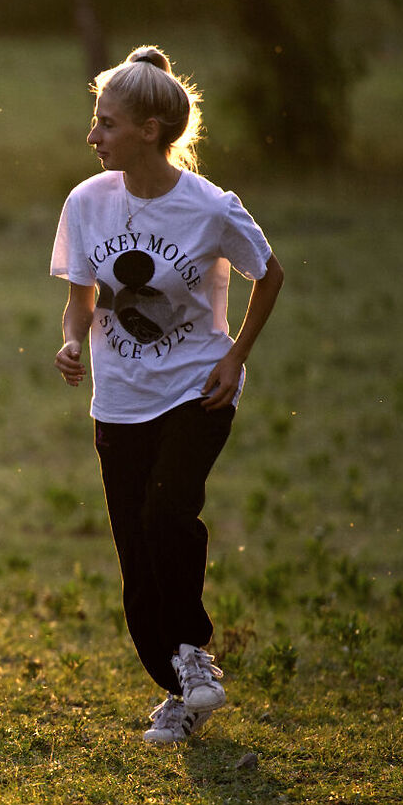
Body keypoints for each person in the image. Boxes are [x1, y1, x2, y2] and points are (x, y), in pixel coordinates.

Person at [50, 47, 285, 744]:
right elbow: (80, 299)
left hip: (196, 387)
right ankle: (180, 692)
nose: (93, 136)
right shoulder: (87, 202)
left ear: (150, 130)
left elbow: (268, 275)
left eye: (107, 123)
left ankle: (193, 650)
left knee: (166, 513)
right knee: (136, 567)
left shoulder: (211, 208)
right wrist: (70, 341)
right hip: (119, 399)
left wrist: (235, 357)